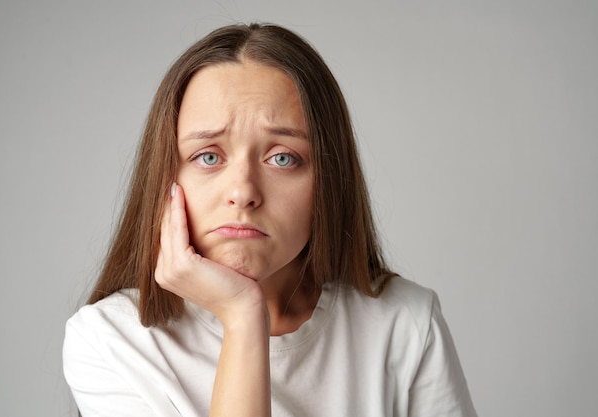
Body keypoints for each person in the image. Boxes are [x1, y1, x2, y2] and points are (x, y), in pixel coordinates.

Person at [63, 23, 478, 417]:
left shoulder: (405, 323)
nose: (243, 192)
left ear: (329, 181)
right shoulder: (109, 341)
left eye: (282, 158)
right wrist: (244, 316)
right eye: (208, 156)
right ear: (167, 177)